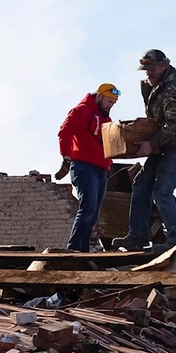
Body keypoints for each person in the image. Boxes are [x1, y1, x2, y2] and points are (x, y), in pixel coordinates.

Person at [112, 49, 176, 251]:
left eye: (151, 69)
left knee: (162, 191)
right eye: (146, 70)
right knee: (141, 183)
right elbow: (157, 122)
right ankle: (137, 236)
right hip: (165, 146)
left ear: (163, 65)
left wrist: (151, 143)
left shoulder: (174, 89)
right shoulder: (155, 88)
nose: (148, 73)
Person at [56, 83, 120, 252]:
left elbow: (109, 145)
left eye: (113, 103)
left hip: (100, 170)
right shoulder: (82, 110)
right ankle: (74, 248)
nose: (110, 105)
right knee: (88, 208)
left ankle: (83, 250)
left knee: (94, 214)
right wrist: (66, 157)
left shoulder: (106, 120)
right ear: (99, 96)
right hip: (83, 166)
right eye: (109, 101)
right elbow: (65, 131)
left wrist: (109, 165)